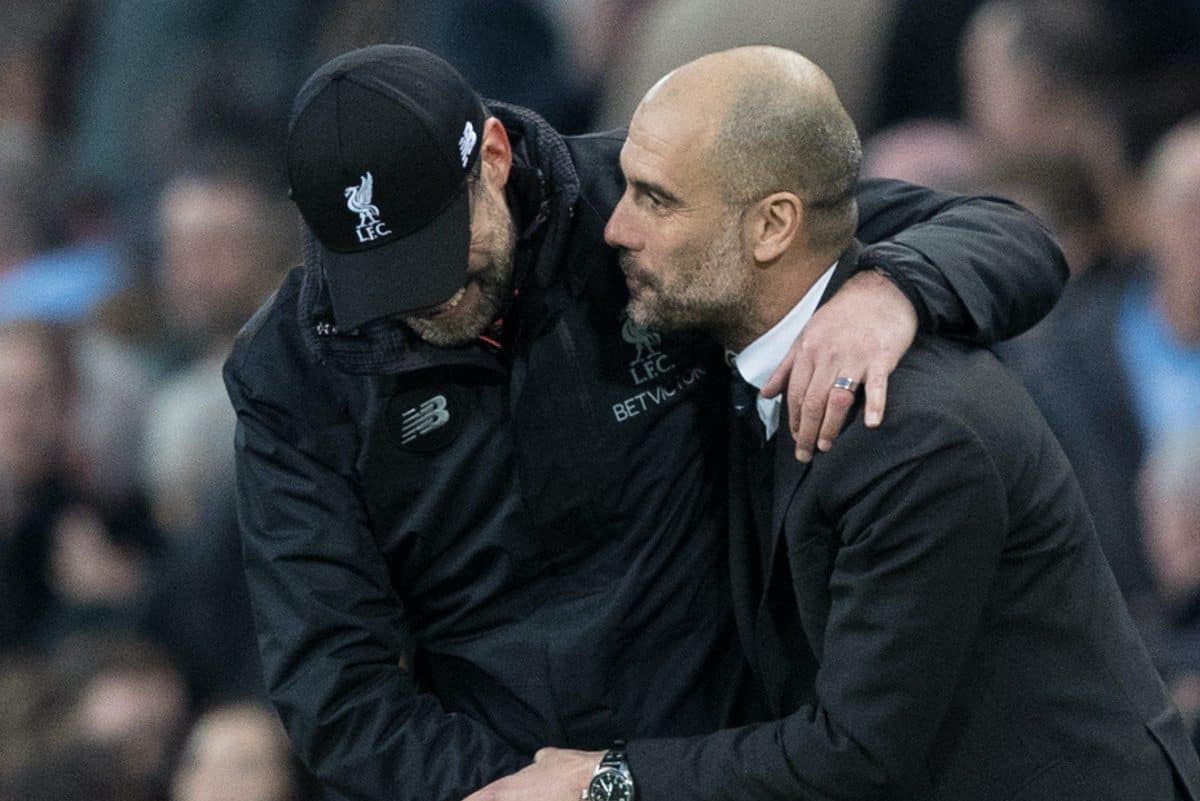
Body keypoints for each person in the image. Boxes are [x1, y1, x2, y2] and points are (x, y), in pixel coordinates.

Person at [225, 45, 1068, 801]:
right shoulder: (291, 371)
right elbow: (336, 686)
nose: (423, 300)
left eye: (440, 254)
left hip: (736, 759)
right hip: (500, 779)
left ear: (492, 155)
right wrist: (526, 791)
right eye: (384, 279)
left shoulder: (643, 206)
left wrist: (896, 290)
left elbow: (1007, 234)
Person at [480, 46, 1200, 801]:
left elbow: (854, 754)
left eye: (656, 200)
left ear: (772, 227)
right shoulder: (746, 344)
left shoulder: (913, 435)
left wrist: (601, 781)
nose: (616, 228)